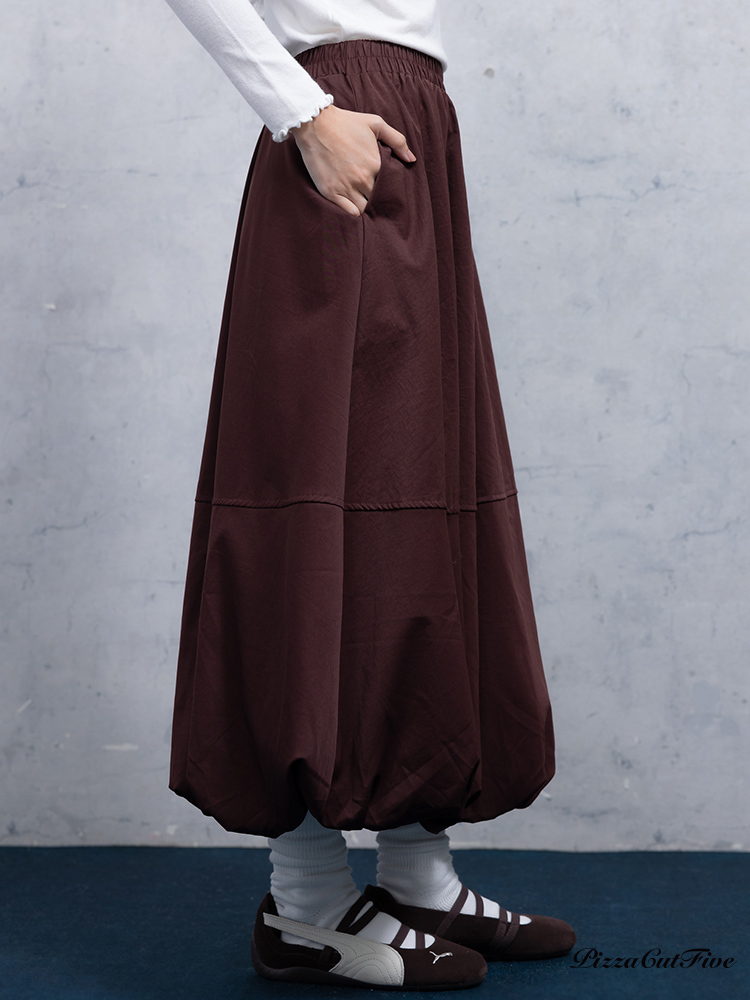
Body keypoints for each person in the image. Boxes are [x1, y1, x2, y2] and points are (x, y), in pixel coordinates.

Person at [161, 0, 575, 989]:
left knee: (419, 497)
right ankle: (304, 900)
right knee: (313, 488)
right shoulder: (318, 109)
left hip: (416, 119)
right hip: (337, 111)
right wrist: (302, 111)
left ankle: (417, 877)